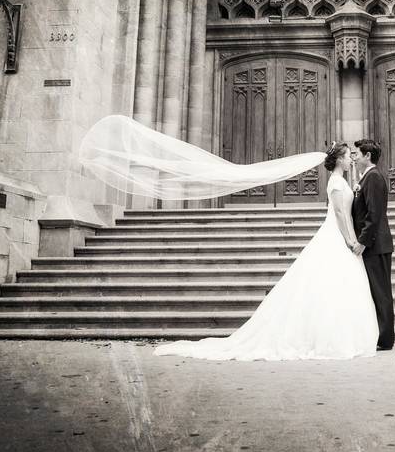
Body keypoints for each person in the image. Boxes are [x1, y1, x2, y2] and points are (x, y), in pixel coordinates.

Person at [153, 142, 378, 361]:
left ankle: (335, 333)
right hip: (337, 235)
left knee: (334, 285)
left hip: (337, 234)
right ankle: (332, 337)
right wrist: (349, 239)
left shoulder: (341, 180)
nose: (352, 159)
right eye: (349, 156)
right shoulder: (337, 182)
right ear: (339, 159)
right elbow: (339, 213)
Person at [350, 139, 395, 351]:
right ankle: (378, 335)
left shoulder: (374, 178)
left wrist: (362, 242)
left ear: (367, 156)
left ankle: (385, 340)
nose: (354, 158)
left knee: (381, 292)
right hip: (374, 245)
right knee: (375, 292)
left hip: (376, 246)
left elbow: (374, 215)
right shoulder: (367, 177)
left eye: (356, 154)